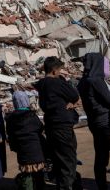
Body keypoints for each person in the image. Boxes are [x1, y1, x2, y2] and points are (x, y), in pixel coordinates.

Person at [77, 53, 110, 190]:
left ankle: (102, 187)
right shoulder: (96, 81)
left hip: (94, 123)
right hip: (105, 123)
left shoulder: (83, 81)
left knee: (101, 157)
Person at [34, 56, 80, 190]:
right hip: (62, 126)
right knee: (68, 160)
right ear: (54, 70)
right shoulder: (57, 83)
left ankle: (63, 184)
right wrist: (69, 102)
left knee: (59, 158)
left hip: (51, 125)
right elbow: (74, 95)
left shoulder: (41, 84)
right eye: (60, 69)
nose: (61, 72)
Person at [6, 90, 45, 190]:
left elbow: (10, 136)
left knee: (26, 174)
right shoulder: (32, 115)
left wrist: (15, 148)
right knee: (39, 174)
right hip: (36, 151)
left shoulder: (11, 118)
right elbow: (40, 128)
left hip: (22, 151)